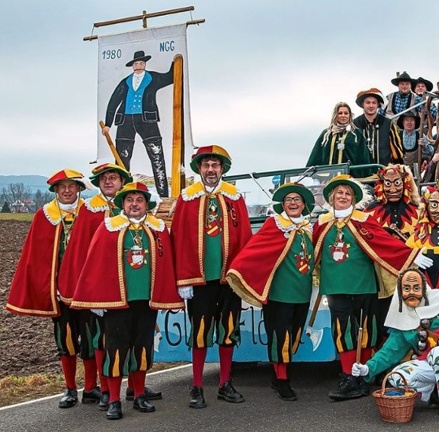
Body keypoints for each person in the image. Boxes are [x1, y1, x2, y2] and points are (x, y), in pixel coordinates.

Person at [70, 182, 183, 420]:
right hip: (117, 302)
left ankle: (139, 394)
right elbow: (95, 264)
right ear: (123, 204)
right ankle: (113, 399)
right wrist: (97, 299)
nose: (134, 204)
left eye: (139, 200)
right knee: (115, 350)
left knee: (142, 347)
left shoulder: (157, 229)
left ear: (146, 204)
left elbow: (167, 261)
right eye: (130, 200)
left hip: (147, 300)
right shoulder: (109, 228)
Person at [313, 174, 427, 401]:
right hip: (335, 287)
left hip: (364, 285)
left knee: (368, 331)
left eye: (347, 193)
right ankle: (348, 375)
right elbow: (312, 253)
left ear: (354, 199)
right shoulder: (322, 223)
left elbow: (385, 244)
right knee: (342, 332)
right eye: (339, 193)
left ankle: (364, 375)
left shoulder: (364, 219)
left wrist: (410, 254)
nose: (343, 197)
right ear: (331, 197)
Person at [58, 163, 162, 408]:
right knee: (100, 340)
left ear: (121, 182)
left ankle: (135, 390)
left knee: (136, 341)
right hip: (101, 290)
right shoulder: (90, 211)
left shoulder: (142, 214)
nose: (108, 182)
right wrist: (87, 289)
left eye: (113, 178)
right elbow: (82, 252)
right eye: (104, 178)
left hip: (135, 294)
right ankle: (104, 390)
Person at [171, 145, 253, 409]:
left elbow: (244, 239)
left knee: (228, 331)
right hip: (199, 280)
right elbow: (179, 240)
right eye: (206, 165)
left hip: (227, 279)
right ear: (199, 169)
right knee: (200, 333)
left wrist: (242, 276)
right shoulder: (187, 199)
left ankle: (225, 383)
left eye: (215, 165)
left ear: (222, 169)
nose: (210, 170)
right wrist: (184, 279)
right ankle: (196, 385)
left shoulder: (234, 198)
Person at [6, 169, 92, 409]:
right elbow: (37, 258)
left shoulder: (90, 213)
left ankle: (92, 387)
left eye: (71, 186)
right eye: (62, 186)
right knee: (66, 341)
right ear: (55, 190)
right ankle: (70, 388)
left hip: (87, 291)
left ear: (78, 189)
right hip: (59, 294)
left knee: (90, 340)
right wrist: (48, 287)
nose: (67, 190)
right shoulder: (44, 217)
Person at [350, 268, 439, 416]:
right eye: (406, 288)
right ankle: (435, 392)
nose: (411, 292)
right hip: (429, 362)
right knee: (397, 377)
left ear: (424, 288)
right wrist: (368, 369)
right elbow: (389, 352)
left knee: (438, 353)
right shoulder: (404, 317)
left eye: (416, 288)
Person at [226, 183, 315, 401]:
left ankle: (279, 375)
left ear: (304, 204)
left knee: (293, 336)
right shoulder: (274, 225)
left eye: (297, 199)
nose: (293, 203)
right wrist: (238, 271)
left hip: (301, 293)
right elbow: (255, 250)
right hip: (278, 294)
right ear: (283, 205)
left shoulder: (308, 228)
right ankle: (282, 380)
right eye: (288, 200)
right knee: (280, 336)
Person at [102, 50, 174, 197]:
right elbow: (114, 101)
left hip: (147, 120)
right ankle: (122, 193)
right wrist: (108, 124)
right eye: (136, 63)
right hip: (125, 121)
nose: (139, 66)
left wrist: (175, 62)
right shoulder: (125, 82)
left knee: (156, 156)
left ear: (145, 64)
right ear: (132, 66)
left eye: (141, 63)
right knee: (122, 159)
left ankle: (163, 194)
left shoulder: (153, 78)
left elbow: (170, 77)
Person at [366, 165, 421, 349]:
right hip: (381, 277)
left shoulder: (418, 211)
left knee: (413, 316)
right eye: (388, 184)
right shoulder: (370, 213)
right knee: (383, 320)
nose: (393, 189)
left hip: (412, 274)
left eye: (397, 183)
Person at [306, 102, 371, 177]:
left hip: (350, 177)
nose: (343, 116)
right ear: (335, 115)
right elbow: (317, 154)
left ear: (349, 115)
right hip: (327, 178)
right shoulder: (326, 134)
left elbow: (363, 155)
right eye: (340, 113)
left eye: (346, 113)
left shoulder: (356, 133)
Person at [353, 88, 404, 166]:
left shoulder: (389, 124)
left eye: (374, 103)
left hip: (384, 172)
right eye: (368, 102)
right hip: (360, 171)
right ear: (363, 104)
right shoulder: (354, 124)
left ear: (378, 105)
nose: (371, 106)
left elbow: (397, 152)